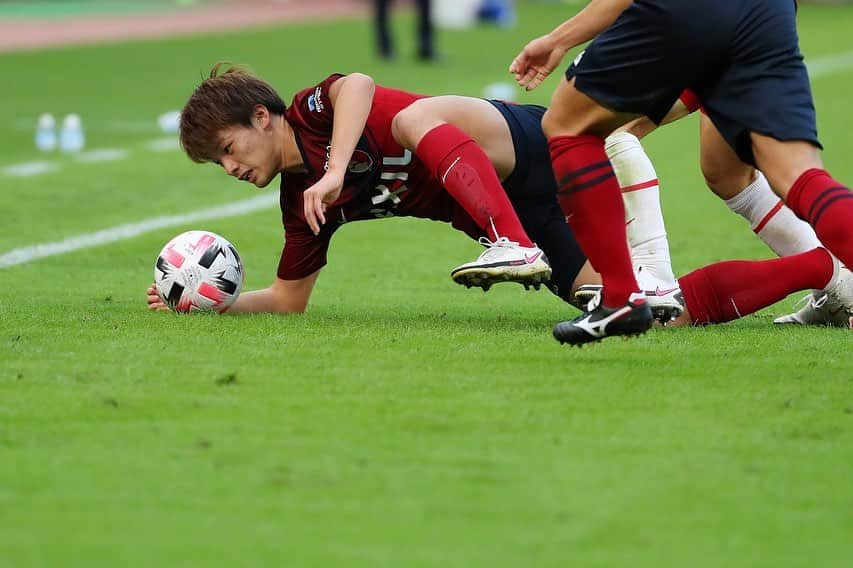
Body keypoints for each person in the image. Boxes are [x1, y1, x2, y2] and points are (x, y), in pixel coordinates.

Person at [147, 66, 852, 334]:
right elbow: (291, 298)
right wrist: (209, 299)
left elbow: (356, 81)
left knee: (418, 117)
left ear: (262, 118)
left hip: (527, 146)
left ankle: (506, 242)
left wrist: (333, 166)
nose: (230, 167)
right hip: (535, 209)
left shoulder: (313, 110)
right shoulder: (303, 201)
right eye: (220, 164)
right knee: (635, 310)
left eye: (229, 149)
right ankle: (823, 273)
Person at [510, 0, 853, 345]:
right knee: (771, 174)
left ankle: (626, 295)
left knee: (569, 126)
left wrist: (558, 39)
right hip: (768, 11)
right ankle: (841, 281)